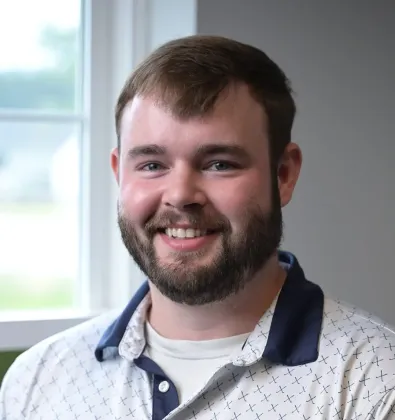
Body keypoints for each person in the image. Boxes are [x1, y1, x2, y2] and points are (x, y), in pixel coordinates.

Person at [1, 35, 395, 420]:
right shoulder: (36, 379)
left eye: (219, 163)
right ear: (120, 174)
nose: (180, 196)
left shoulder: (376, 383)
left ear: (284, 174)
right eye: (152, 165)